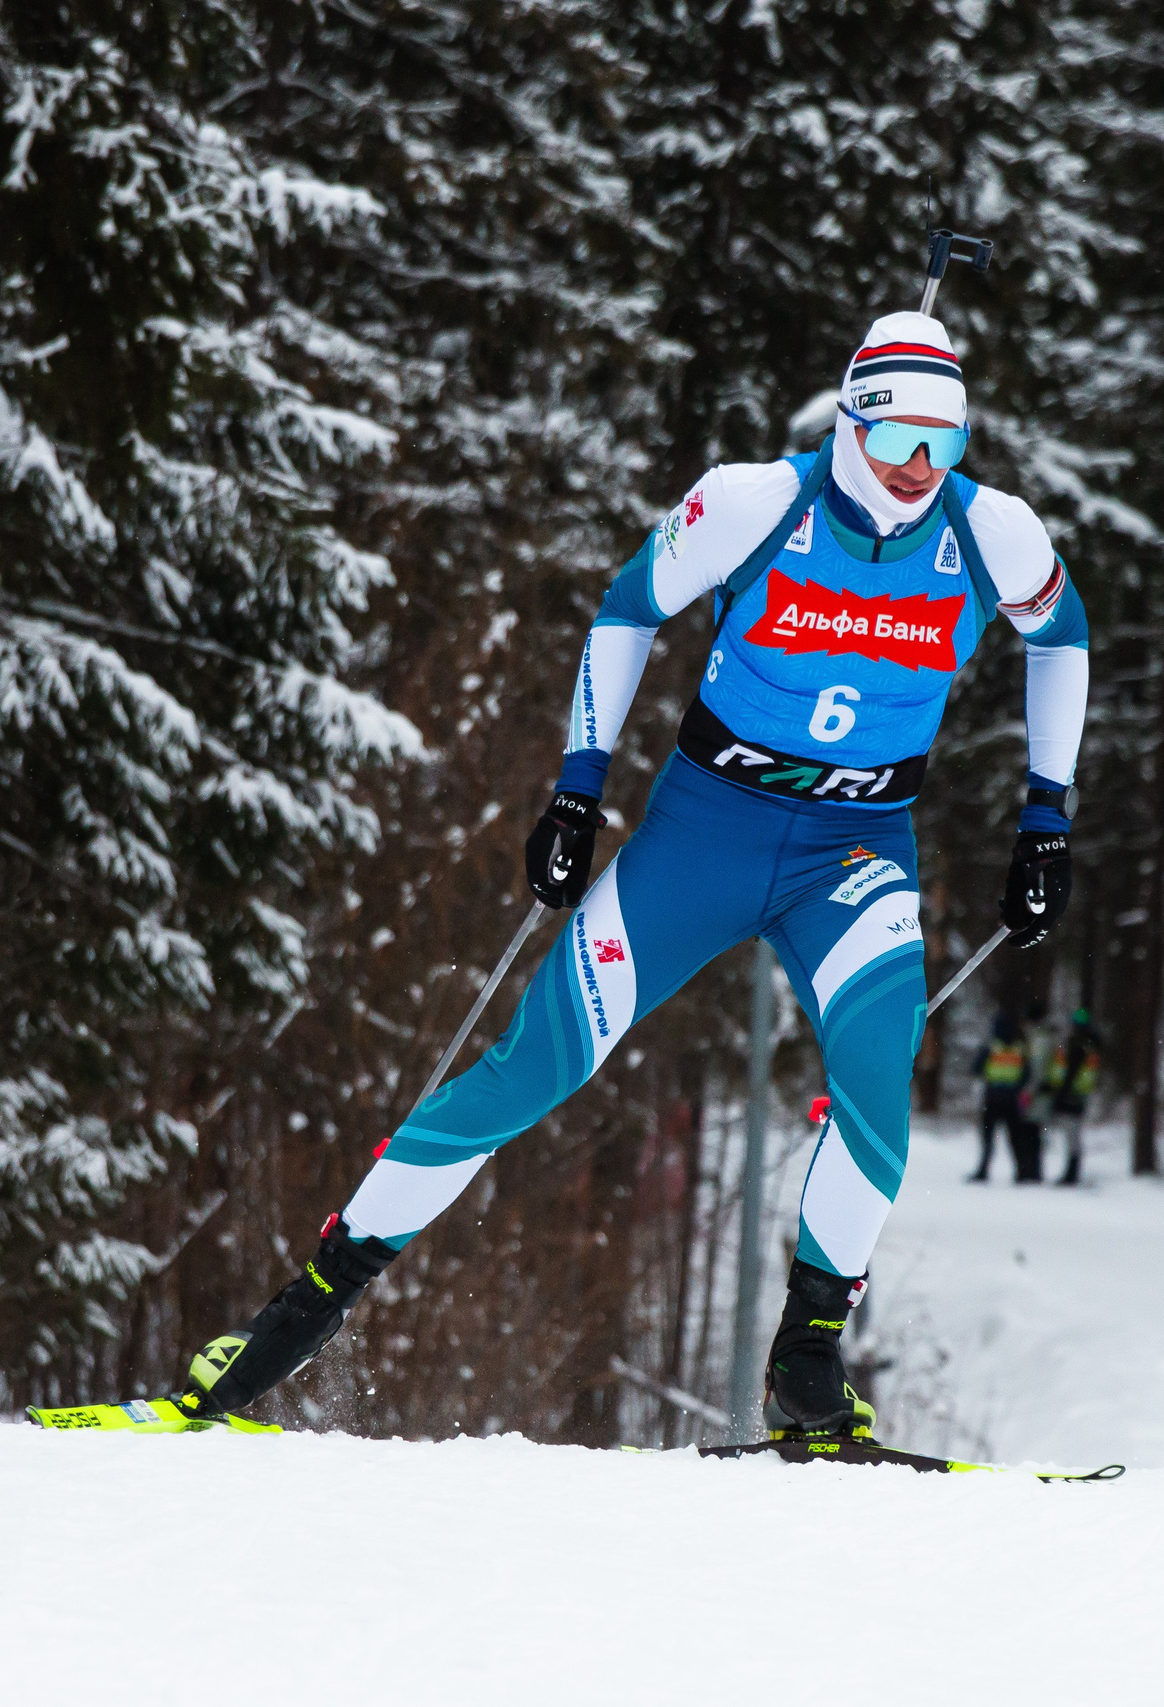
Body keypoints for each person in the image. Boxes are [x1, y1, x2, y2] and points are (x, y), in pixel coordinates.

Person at [172, 309, 1089, 1440]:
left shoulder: (989, 532)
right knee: (533, 1065)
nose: (918, 468)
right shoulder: (756, 503)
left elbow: (1063, 640)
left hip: (858, 849)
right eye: (901, 437)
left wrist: (1046, 817)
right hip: (709, 830)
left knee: (875, 1080)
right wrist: (576, 785)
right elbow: (626, 607)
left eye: (944, 446)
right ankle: (301, 1311)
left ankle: (806, 1362)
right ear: (853, 418)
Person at [969, 1011, 1033, 1183]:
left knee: (988, 1138)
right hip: (1011, 1098)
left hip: (993, 1097)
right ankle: (1022, 1172)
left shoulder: (990, 1047)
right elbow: (1027, 1073)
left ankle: (983, 1171)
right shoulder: (1019, 1048)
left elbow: (975, 1069)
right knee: (1015, 1138)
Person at [1044, 1007, 1102, 1186]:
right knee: (1073, 1135)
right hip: (1080, 1094)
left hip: (1073, 1095)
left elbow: (1070, 1073)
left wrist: (1061, 1094)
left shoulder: (1078, 1045)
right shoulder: (1090, 1044)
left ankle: (1071, 1174)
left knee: (1072, 1135)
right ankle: (1072, 1172)